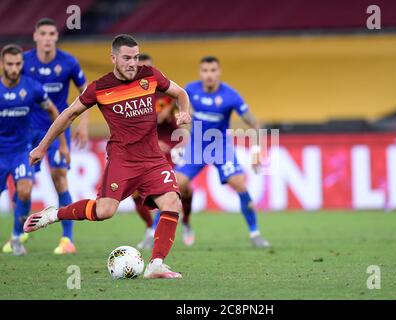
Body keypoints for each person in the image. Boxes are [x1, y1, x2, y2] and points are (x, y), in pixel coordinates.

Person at [23, 34, 192, 279]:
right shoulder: (100, 88)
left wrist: (184, 113)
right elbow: (67, 115)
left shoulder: (150, 75)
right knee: (104, 211)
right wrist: (41, 147)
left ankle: (156, 264)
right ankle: (54, 214)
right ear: (113, 58)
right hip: (122, 159)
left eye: (135, 57)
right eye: (126, 58)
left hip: (153, 159)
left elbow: (181, 93)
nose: (133, 63)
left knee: (172, 202)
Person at [5, 18, 88, 255]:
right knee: (24, 186)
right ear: (35, 36)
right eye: (44, 33)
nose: (48, 38)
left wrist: (82, 123)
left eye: (52, 33)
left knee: (60, 177)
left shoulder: (68, 62)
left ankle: (67, 239)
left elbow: (87, 92)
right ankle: (19, 235)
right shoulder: (24, 62)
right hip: (27, 131)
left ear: (56, 37)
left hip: (57, 128)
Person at [175, 56, 270, 248]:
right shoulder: (190, 90)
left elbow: (255, 124)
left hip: (220, 147)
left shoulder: (231, 96)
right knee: (175, 186)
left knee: (240, 184)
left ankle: (255, 233)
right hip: (197, 146)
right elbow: (176, 109)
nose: (209, 75)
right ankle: (170, 228)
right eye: (205, 71)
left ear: (219, 72)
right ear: (200, 73)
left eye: (213, 70)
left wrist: (257, 151)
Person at [0, 44, 69, 255]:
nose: (14, 68)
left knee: (25, 189)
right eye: (9, 64)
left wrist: (63, 144)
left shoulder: (33, 88)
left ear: (22, 64)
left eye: (17, 64)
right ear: (2, 64)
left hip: (22, 150)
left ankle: (16, 237)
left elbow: (53, 111)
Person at [133, 54, 194, 250]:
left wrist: (183, 133)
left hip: (168, 148)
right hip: (143, 148)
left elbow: (183, 117)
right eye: (140, 67)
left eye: (148, 68)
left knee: (182, 188)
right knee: (135, 193)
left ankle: (185, 223)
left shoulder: (166, 93)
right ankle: (151, 228)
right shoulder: (128, 96)